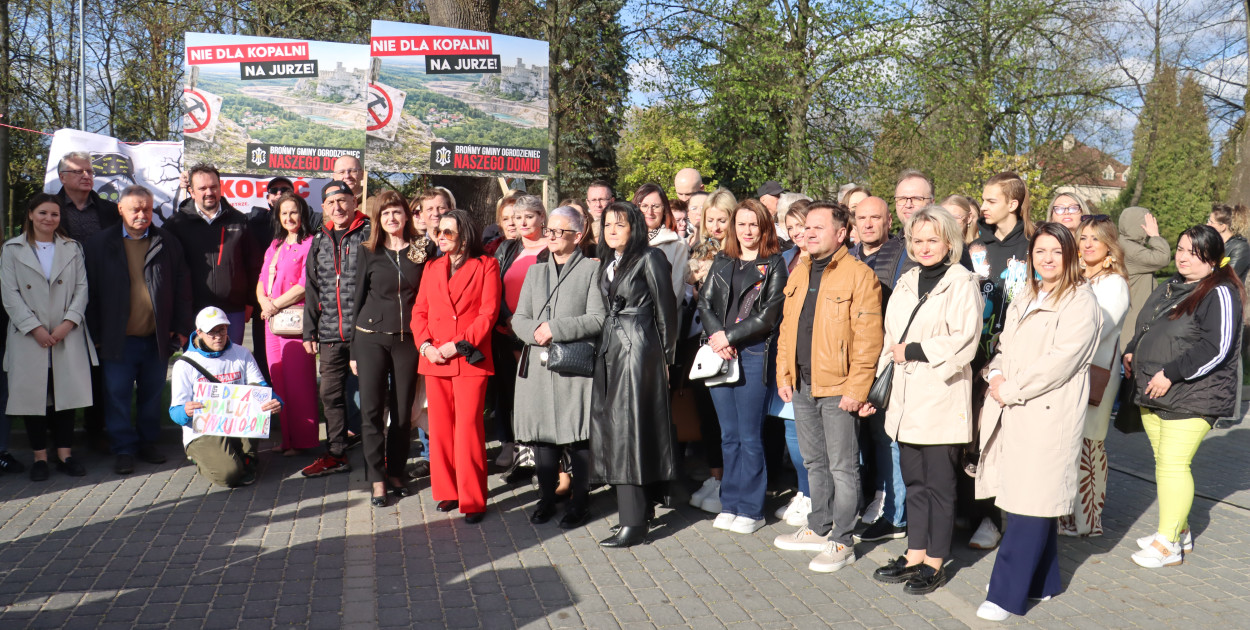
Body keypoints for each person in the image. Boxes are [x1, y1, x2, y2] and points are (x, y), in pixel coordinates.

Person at [976, 222, 1101, 621]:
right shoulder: (1028, 294)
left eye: (1056, 252)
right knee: (1032, 499)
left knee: (1030, 503)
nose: (1047, 259)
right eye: (1040, 251)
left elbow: (1059, 364)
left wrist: (1011, 389)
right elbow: (1004, 346)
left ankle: (1006, 594)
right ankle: (1044, 582)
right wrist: (994, 374)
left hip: (1047, 412)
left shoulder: (1080, 301)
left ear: (1071, 257)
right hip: (1013, 406)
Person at [859, 206, 981, 595]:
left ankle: (936, 560)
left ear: (949, 242)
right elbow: (886, 342)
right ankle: (914, 552)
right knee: (913, 481)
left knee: (940, 484)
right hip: (906, 397)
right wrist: (875, 390)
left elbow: (965, 341)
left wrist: (911, 349)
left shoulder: (962, 282)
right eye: (917, 240)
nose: (924, 247)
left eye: (932, 239)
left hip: (941, 396)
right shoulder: (908, 280)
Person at [1122, 225, 1243, 568]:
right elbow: (1145, 326)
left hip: (1193, 394)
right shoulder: (1170, 286)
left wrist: (1171, 373)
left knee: (1174, 465)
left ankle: (1168, 543)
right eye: (1180, 249)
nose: (1183, 256)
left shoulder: (1220, 292)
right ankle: (1179, 529)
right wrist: (1132, 351)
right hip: (1153, 391)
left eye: (1194, 251)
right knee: (1165, 466)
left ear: (1213, 258)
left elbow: (1216, 347)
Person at [773, 201, 884, 573]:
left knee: (843, 467)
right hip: (802, 383)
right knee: (814, 462)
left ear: (841, 234)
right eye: (806, 227)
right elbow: (787, 329)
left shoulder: (859, 275)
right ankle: (819, 528)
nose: (808, 232)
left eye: (818, 227)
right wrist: (783, 373)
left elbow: (869, 339)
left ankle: (843, 539)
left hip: (839, 386)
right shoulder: (799, 271)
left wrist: (857, 388)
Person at [85, 185, 192, 475]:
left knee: (151, 395)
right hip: (115, 339)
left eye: (146, 208)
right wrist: (94, 336)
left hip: (156, 337)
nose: (142, 214)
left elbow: (182, 287)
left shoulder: (167, 242)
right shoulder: (98, 245)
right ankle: (123, 448)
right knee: (116, 395)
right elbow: (89, 294)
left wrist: (181, 327)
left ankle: (147, 443)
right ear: (120, 209)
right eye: (135, 209)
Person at [591, 202, 679, 548]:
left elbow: (666, 313)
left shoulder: (650, 257)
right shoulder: (609, 262)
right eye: (607, 224)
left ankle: (634, 521)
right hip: (612, 347)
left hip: (640, 351)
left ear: (635, 228)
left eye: (620, 224)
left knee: (631, 432)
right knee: (614, 429)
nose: (612, 230)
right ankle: (636, 513)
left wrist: (667, 363)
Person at [697, 199, 788, 534]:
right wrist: (718, 337)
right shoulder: (723, 260)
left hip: (751, 354)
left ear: (764, 227)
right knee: (729, 435)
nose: (747, 231)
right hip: (720, 354)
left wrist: (729, 336)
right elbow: (704, 301)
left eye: (754, 225)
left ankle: (751, 509)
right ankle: (730, 502)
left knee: (750, 436)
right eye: (742, 224)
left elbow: (768, 315)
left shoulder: (775, 264)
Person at [511, 206, 605, 528]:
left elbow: (597, 318)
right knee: (543, 441)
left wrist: (556, 328)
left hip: (573, 368)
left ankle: (580, 504)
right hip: (537, 369)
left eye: (557, 231)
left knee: (578, 438)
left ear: (578, 236)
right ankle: (546, 499)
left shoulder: (592, 271)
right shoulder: (535, 273)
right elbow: (518, 318)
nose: (549, 236)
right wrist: (536, 334)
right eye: (548, 230)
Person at [412, 210, 501, 524]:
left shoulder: (486, 265)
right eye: (439, 232)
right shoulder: (432, 267)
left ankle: (474, 498)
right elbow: (419, 311)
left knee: (467, 430)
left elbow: (487, 315)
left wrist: (457, 345)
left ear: (465, 234)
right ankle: (448, 490)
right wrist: (425, 345)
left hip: (467, 359)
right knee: (441, 431)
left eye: (448, 232)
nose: (442, 237)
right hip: (434, 359)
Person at [1, 194, 97, 481]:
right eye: (43, 213)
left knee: (65, 394)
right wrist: (35, 328)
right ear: (30, 214)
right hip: (29, 335)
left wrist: (68, 324)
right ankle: (39, 457)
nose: (49, 219)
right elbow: (9, 294)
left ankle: (65, 455)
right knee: (34, 397)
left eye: (54, 214)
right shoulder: (11, 249)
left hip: (66, 333)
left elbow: (82, 288)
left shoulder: (72, 248)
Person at [963, 172, 1034, 550]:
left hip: (1015, 362)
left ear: (1014, 203)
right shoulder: (974, 249)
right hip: (974, 357)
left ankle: (1016, 518)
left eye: (991, 200)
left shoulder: (1035, 246)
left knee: (1008, 443)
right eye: (983, 199)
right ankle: (982, 517)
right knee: (974, 442)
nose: (983, 206)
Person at [350, 190, 425, 507]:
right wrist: (353, 350)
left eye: (397, 212)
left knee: (403, 411)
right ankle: (376, 478)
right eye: (385, 214)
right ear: (378, 220)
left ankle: (396, 471)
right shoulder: (368, 251)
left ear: (407, 215)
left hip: (408, 339)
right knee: (371, 411)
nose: (392, 218)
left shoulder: (421, 252)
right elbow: (356, 299)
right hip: (370, 338)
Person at [1057, 215, 1130, 537]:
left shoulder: (1113, 283)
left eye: (1095, 239)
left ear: (1109, 246)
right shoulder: (1075, 277)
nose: (1087, 244)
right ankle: (1063, 513)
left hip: (1095, 374)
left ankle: (1087, 519)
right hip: (1067, 371)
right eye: (1082, 238)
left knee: (1089, 442)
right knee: (1067, 443)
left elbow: (1098, 328)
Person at [848, 194, 913, 543]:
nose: (868, 224)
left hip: (885, 361)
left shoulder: (903, 256)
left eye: (876, 218)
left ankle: (896, 515)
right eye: (862, 218)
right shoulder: (848, 256)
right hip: (851, 363)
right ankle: (867, 502)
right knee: (860, 441)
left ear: (889, 221)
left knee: (887, 439)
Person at [301, 181, 370, 478]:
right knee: (330, 395)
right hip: (330, 333)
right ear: (323, 208)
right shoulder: (319, 239)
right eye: (331, 203)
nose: (337, 208)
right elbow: (312, 287)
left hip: (365, 333)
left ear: (354, 202)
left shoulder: (369, 234)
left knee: (372, 395)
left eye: (343, 201)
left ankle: (376, 452)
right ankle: (337, 452)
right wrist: (309, 330)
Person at [54, 151, 123, 454]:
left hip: (102, 297)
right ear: (62, 177)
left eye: (90, 171)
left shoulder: (109, 210)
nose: (87, 176)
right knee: (61, 367)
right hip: (60, 298)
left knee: (100, 366)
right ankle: (58, 437)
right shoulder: (48, 208)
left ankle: (96, 430)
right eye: (79, 171)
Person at [168, 307, 282, 487]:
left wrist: (275, 401)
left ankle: (246, 456)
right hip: (203, 430)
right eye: (211, 332)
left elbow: (260, 387)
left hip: (235, 424)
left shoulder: (241, 353)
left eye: (222, 330)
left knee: (254, 396)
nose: (218, 336)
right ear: (199, 333)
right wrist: (186, 410)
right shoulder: (184, 364)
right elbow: (175, 413)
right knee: (229, 476)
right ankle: (201, 458)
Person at [165, 163, 258, 344]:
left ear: (220, 187)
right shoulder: (177, 224)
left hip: (233, 311)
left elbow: (253, 264)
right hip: (193, 311)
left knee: (231, 367)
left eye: (213, 186)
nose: (209, 192)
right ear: (191, 191)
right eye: (202, 188)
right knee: (199, 368)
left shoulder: (240, 221)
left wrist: (250, 302)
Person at [257, 192, 318, 456]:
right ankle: (287, 441)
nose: (289, 217)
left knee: (299, 383)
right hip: (272, 322)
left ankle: (304, 441)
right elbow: (260, 280)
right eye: (284, 213)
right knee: (278, 379)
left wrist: (274, 305)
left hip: (294, 321)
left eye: (293, 212)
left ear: (302, 213)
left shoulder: (311, 243)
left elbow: (305, 286)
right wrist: (264, 303)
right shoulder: (275, 245)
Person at [493, 195, 548, 478]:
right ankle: (522, 457)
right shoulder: (506, 249)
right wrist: (508, 318)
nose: (522, 222)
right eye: (517, 217)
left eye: (529, 216)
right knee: (513, 398)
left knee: (538, 398)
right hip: (507, 332)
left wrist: (530, 324)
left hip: (539, 336)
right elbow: (494, 288)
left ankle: (547, 460)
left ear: (541, 216)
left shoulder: (552, 248)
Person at [772, 199, 813, 526]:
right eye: (791, 226)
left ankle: (815, 496)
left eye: (802, 225)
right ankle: (803, 491)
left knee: (811, 435)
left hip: (812, 359)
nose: (797, 232)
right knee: (791, 431)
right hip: (784, 355)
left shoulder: (822, 261)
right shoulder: (785, 258)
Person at [1117, 207, 1170, 348]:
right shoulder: (1131, 251)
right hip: (1132, 325)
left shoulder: (1123, 243)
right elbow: (1163, 258)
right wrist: (1155, 236)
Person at [634, 184, 690, 304]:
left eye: (656, 206)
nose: (650, 212)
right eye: (644, 206)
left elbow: (676, 291)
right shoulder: (626, 240)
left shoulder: (677, 244)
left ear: (664, 209)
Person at [1207, 203, 1250, 278]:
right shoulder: (1212, 244)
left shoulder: (1241, 248)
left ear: (1223, 227)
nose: (1207, 224)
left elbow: (1229, 277)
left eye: (1211, 222)